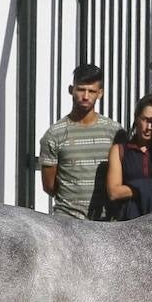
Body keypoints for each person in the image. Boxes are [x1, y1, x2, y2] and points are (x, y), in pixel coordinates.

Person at [39, 63, 125, 220]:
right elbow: (49, 186)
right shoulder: (54, 134)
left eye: (91, 91)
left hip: (106, 224)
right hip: (66, 222)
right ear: (71, 90)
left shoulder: (114, 132)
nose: (85, 96)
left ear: (100, 93)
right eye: (81, 89)